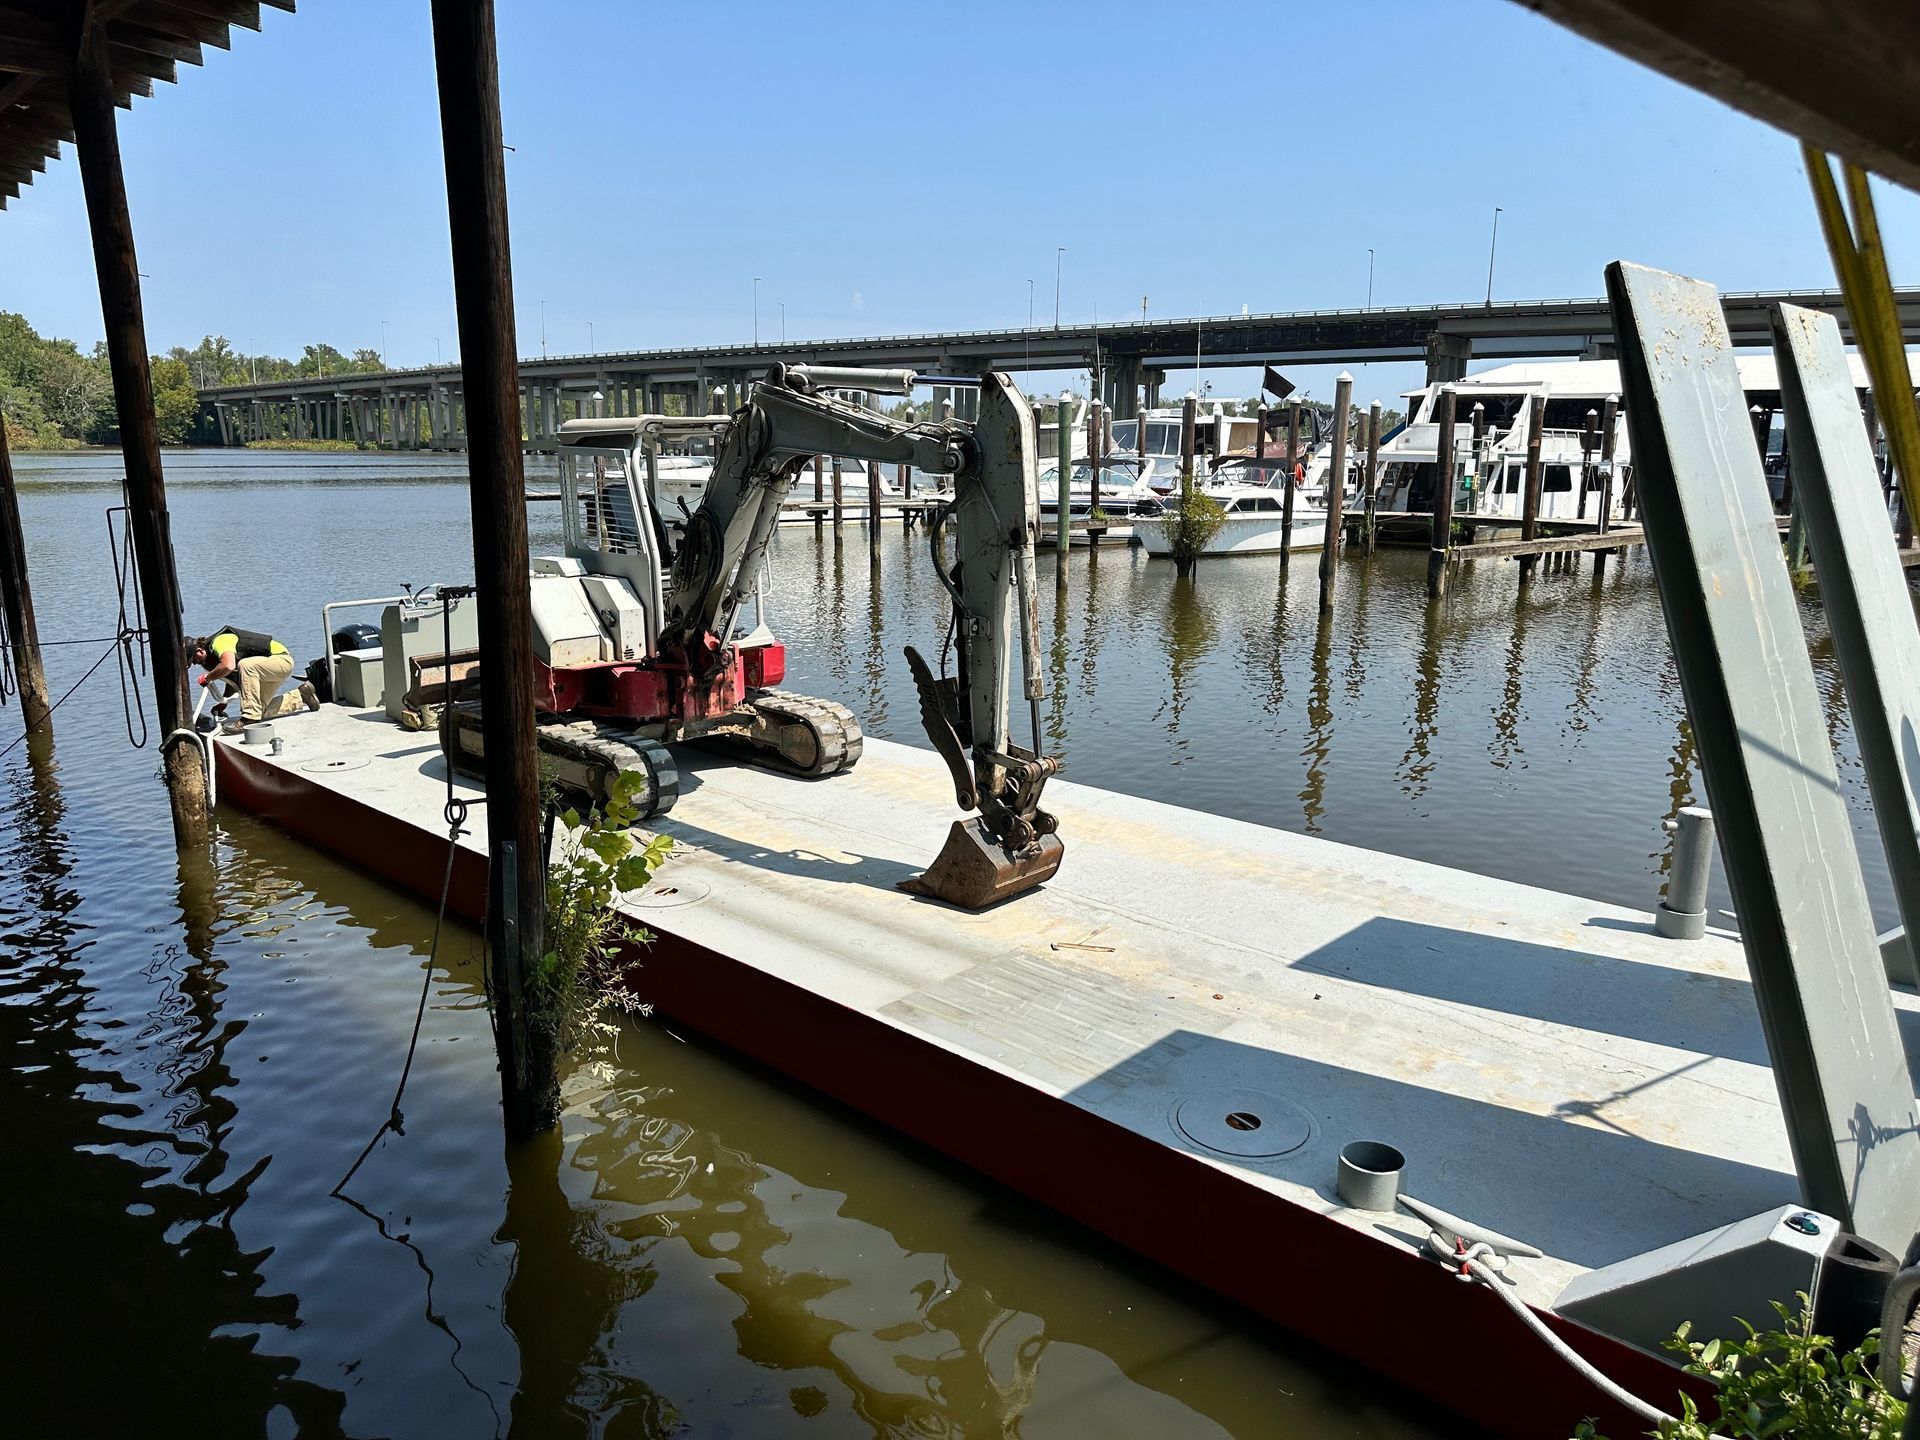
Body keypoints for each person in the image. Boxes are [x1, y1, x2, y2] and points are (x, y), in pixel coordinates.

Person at [188, 626, 318, 733]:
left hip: (281, 660)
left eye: (194, 660)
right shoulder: (214, 655)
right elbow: (234, 678)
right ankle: (301, 696)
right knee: (260, 710)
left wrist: (208, 677)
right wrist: (224, 702)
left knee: (245, 665)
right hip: (265, 669)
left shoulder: (219, 642)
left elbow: (228, 665)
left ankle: (249, 719)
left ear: (199, 650)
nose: (195, 664)